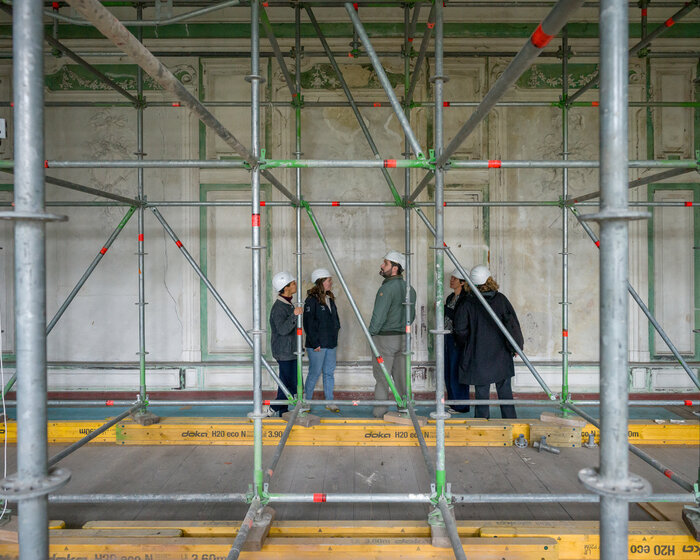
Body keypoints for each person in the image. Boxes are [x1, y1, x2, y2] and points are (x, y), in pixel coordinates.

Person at [453, 265, 523, 419]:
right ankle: (511, 423)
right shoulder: (501, 300)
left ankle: (482, 427)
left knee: (481, 395)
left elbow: (459, 330)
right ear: (489, 280)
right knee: (505, 393)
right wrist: (516, 346)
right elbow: (513, 325)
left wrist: (468, 345)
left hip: (478, 355)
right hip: (501, 355)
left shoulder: (468, 303)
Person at [368, 250, 416, 418]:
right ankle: (405, 409)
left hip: (385, 339)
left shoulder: (386, 290)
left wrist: (370, 334)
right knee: (402, 377)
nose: (382, 265)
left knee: (383, 377)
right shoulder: (410, 289)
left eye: (386, 263)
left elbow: (378, 317)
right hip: (404, 339)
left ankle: (380, 411)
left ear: (395, 268)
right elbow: (412, 316)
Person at [303, 268, 341, 413]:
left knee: (329, 373)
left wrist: (335, 333)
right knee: (314, 372)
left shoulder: (329, 298)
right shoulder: (311, 300)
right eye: (328, 280)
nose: (331, 282)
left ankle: (329, 401)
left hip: (330, 343)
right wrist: (315, 343)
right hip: (317, 345)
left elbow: (334, 319)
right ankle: (306, 401)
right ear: (320, 282)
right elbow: (308, 324)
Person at [269, 271, 303, 416]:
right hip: (284, 352)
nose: (296, 285)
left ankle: (282, 411)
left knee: (288, 382)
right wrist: (294, 315)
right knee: (287, 384)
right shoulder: (279, 308)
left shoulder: (288, 304)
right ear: (286, 287)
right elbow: (283, 330)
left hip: (291, 351)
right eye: (293, 283)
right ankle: (273, 408)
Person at [444, 269, 471, 414]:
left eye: (454, 279)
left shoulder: (466, 299)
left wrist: (444, 310)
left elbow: (460, 317)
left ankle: (461, 406)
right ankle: (453, 403)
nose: (451, 280)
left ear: (462, 282)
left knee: (456, 372)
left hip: (458, 339)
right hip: (447, 337)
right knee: (448, 371)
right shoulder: (450, 297)